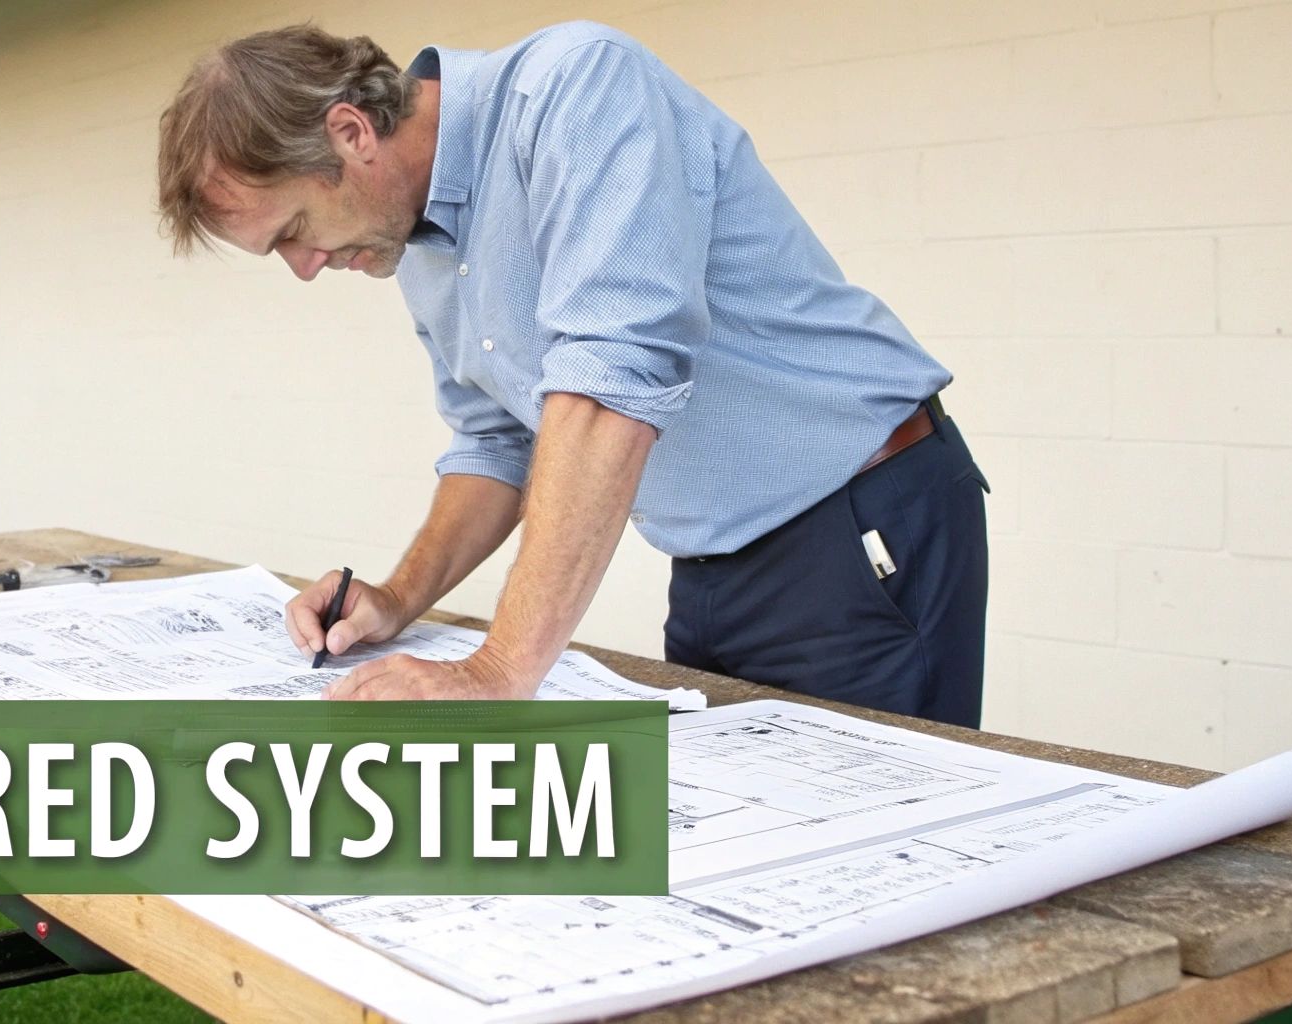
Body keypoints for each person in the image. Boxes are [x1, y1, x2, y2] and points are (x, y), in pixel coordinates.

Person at [156, 21, 990, 726]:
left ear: (350, 132)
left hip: (855, 526)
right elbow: (496, 440)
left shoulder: (577, 88)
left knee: (872, 867)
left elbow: (611, 380)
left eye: (294, 230)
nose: (304, 268)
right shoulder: (410, 243)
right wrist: (398, 599)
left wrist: (497, 673)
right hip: (707, 566)